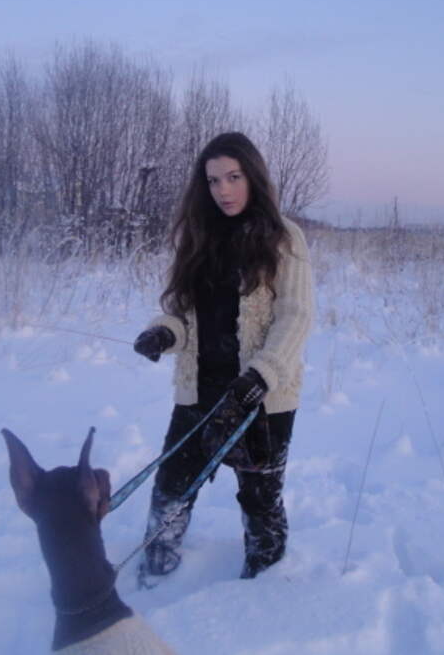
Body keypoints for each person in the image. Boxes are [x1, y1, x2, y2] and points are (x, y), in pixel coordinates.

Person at [132, 131, 314, 584]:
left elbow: (296, 317)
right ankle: (154, 575)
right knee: (170, 488)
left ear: (253, 177)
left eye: (233, 177)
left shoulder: (284, 238)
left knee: (260, 500)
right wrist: (163, 333)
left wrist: (261, 376)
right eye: (213, 180)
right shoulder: (199, 237)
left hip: (260, 397)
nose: (223, 190)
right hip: (201, 391)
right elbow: (183, 315)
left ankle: (263, 583)